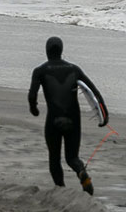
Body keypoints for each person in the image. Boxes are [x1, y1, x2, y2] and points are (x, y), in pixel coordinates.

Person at [28, 36, 108, 195]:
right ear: (62, 50)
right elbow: (93, 92)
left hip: (53, 120)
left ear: (46, 51)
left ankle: (61, 189)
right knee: (72, 158)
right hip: (73, 120)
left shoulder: (40, 71)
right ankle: (83, 175)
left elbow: (32, 95)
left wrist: (34, 109)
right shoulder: (74, 69)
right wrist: (103, 114)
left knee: (54, 158)